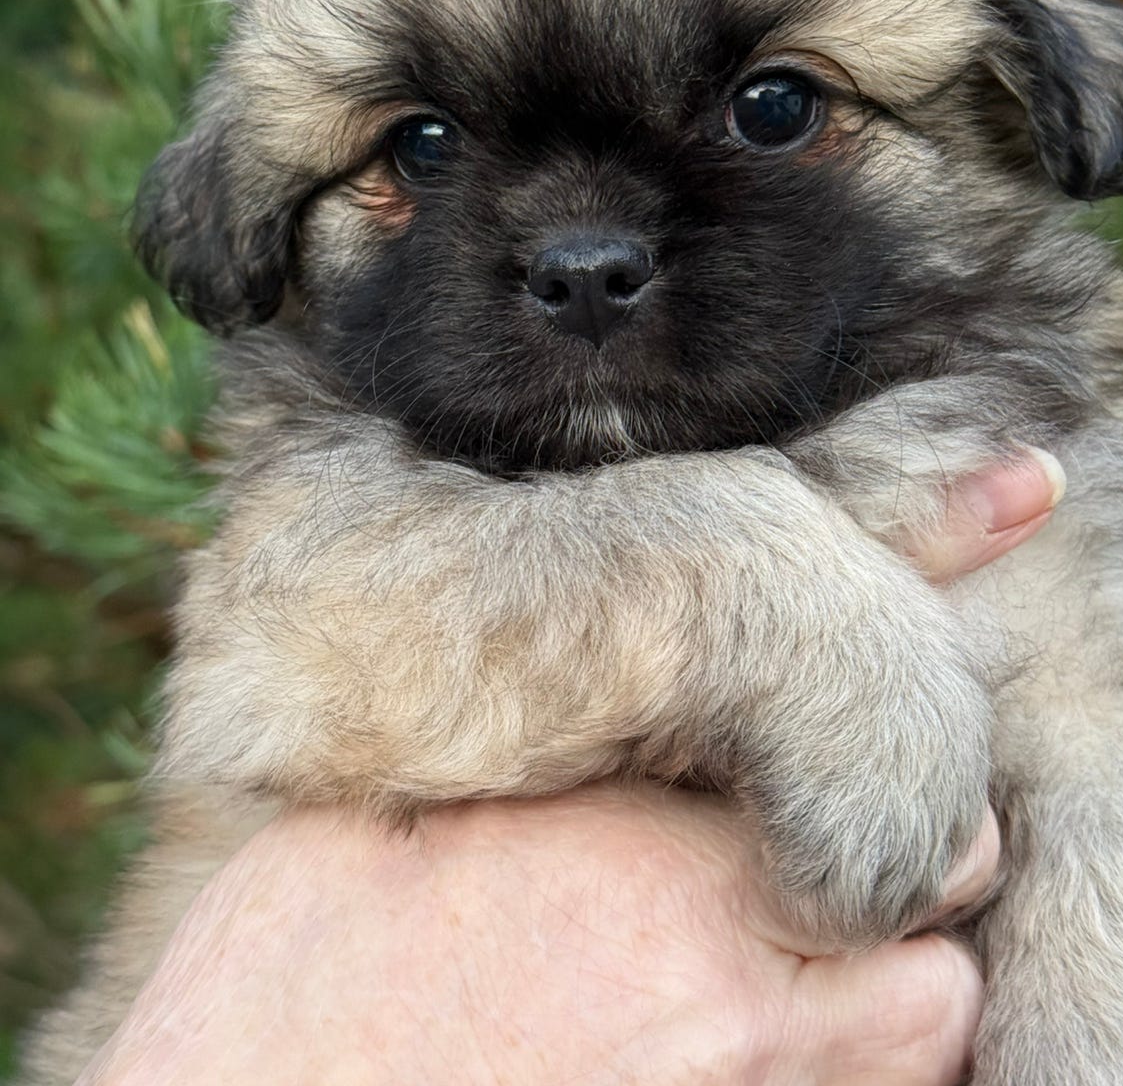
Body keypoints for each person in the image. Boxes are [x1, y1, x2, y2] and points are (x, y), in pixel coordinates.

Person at [77, 451, 1060, 1086]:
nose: (583, 252)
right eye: (422, 151)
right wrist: (726, 578)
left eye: (769, 112)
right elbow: (270, 681)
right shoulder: (333, 487)